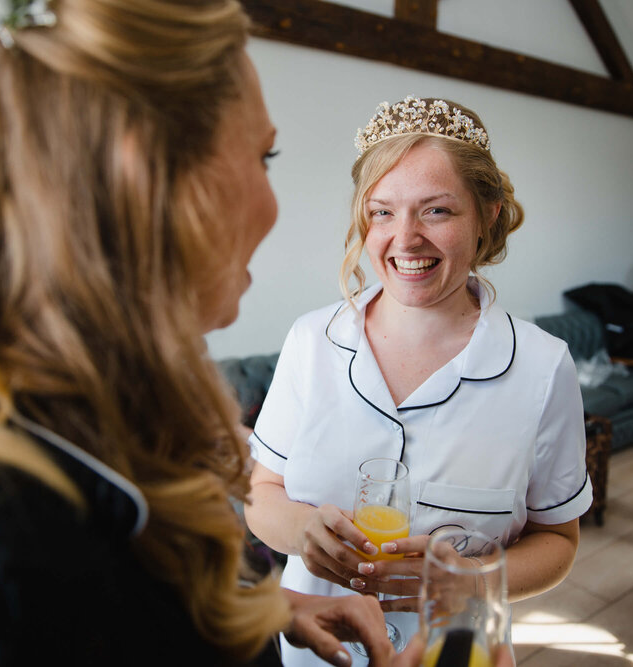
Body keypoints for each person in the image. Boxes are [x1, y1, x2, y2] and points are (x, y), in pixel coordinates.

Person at [0, 1, 426, 665]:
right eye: (265, 155)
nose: (274, 203)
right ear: (147, 180)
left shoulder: (95, 440)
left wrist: (260, 609)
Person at [244, 96, 592, 666]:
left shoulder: (542, 366)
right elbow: (262, 495)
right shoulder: (311, 342)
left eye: (436, 211)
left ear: (489, 214)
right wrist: (304, 529)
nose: (404, 239)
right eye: (382, 212)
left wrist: (476, 581)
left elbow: (559, 540)